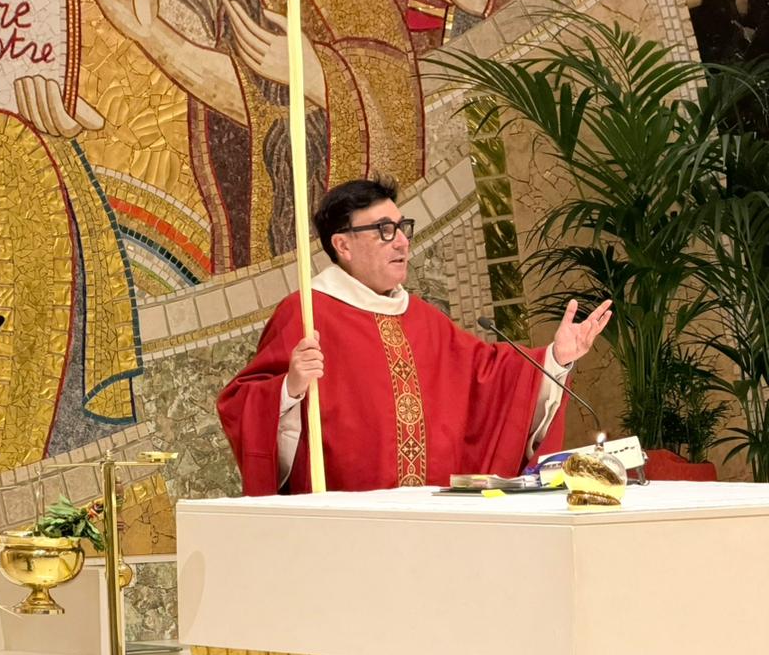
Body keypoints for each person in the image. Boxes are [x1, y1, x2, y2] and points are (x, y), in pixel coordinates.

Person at [217, 177, 612, 494]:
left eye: (402, 228)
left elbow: (490, 379)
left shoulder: (423, 319)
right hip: (343, 531)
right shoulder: (305, 313)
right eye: (384, 230)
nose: (403, 241)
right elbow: (243, 407)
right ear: (343, 245)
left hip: (431, 527)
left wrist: (555, 359)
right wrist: (291, 387)